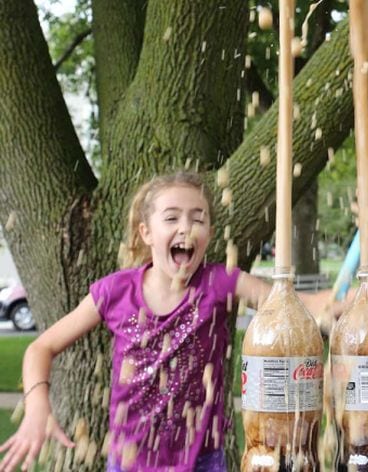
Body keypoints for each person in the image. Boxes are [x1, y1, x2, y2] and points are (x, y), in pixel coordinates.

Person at [0, 171, 339, 472]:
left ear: (209, 232)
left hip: (204, 460)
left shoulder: (217, 283)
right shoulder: (114, 292)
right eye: (172, 217)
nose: (186, 228)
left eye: (198, 218)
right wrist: (36, 406)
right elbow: (41, 347)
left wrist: (335, 302)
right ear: (146, 232)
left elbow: (286, 301)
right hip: (129, 461)